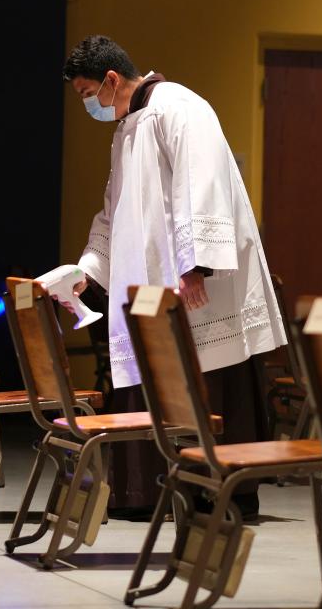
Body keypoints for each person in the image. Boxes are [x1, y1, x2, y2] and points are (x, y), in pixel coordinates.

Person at [62, 35, 286, 520]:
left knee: (212, 378)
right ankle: (149, 492)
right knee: (155, 373)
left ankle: (222, 492)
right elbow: (114, 213)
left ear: (111, 80)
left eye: (86, 94)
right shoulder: (128, 127)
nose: (87, 105)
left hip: (194, 283)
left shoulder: (180, 108)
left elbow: (200, 183)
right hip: (154, 285)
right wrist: (86, 272)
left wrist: (195, 267)